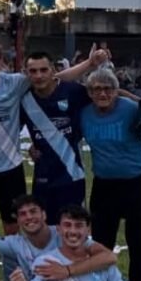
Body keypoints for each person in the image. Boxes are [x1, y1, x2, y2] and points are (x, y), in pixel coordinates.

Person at [0, 42, 106, 281]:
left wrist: (89, 64)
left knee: (19, 228)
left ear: (2, 64)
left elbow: (57, 78)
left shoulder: (18, 84)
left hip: (20, 169)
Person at [80, 68, 141, 281]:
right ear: (90, 93)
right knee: (100, 245)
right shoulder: (84, 114)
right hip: (104, 186)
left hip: (135, 185)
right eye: (97, 89)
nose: (102, 94)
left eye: (108, 89)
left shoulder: (131, 110)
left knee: (138, 245)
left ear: (116, 91)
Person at [21, 51, 92, 223]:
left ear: (53, 70)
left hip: (72, 175)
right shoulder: (23, 99)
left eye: (43, 70)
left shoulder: (73, 91)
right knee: (44, 228)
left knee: (73, 227)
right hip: (42, 176)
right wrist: (32, 146)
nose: (39, 75)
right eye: (33, 71)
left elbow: (105, 97)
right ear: (26, 73)